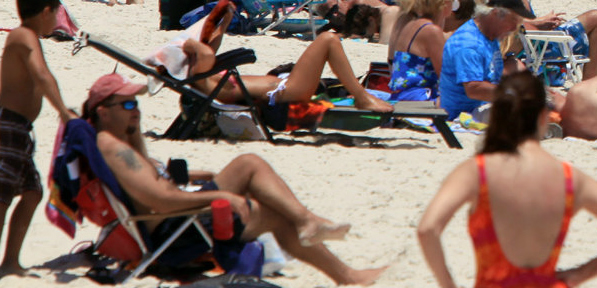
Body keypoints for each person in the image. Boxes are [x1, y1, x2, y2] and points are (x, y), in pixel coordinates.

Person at [87, 73, 384, 285]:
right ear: (103, 111)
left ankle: (314, 230)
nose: (135, 111)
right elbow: (159, 199)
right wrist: (221, 196)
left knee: (248, 167)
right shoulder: (112, 147)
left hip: (177, 219)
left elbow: (148, 182)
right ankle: (341, 269)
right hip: (174, 231)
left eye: (136, 104)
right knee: (266, 199)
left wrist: (193, 176)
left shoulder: (118, 142)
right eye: (126, 105)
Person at [417, 73, 597, 288]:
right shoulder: (570, 179)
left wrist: (447, 284)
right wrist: (579, 274)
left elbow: (427, 229)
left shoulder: (478, 172)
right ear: (544, 117)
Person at [170, 10, 393, 113]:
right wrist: (188, 44)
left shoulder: (203, 75)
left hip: (285, 86)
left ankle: (360, 94)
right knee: (328, 39)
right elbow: (207, 54)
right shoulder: (201, 78)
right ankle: (361, 96)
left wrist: (225, 22)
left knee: (329, 41)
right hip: (288, 91)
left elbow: (210, 51)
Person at [0, 0, 75, 277]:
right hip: (9, 126)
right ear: (46, 11)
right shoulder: (23, 35)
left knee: (31, 192)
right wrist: (64, 112)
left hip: (19, 128)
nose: (56, 21)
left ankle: (10, 262)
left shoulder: (25, 37)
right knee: (3, 196)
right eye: (56, 14)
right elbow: (41, 75)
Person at [439, 0, 535, 122]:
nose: (514, 28)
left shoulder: (489, 36)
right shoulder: (469, 45)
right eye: (513, 20)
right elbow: (474, 89)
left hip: (482, 106)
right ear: (495, 14)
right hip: (463, 114)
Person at [386, 0, 453, 102]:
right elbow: (447, 78)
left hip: (403, 96)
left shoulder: (410, 23)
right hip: (421, 99)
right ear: (445, 3)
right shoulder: (431, 31)